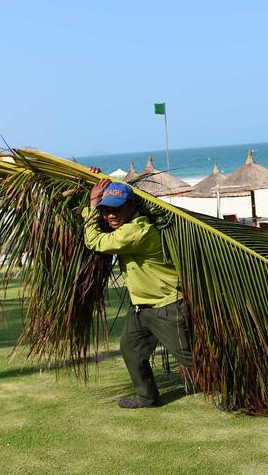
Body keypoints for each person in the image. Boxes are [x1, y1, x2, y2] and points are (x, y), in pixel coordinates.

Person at [82, 175, 192, 408]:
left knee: (190, 357)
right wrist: (89, 181)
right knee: (131, 349)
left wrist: (92, 206)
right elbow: (104, 230)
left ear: (132, 207)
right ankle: (147, 397)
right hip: (141, 306)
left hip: (167, 305)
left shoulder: (138, 231)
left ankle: (233, 392)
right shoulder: (123, 227)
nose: (111, 215)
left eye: (118, 209)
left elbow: (96, 242)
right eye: (105, 210)